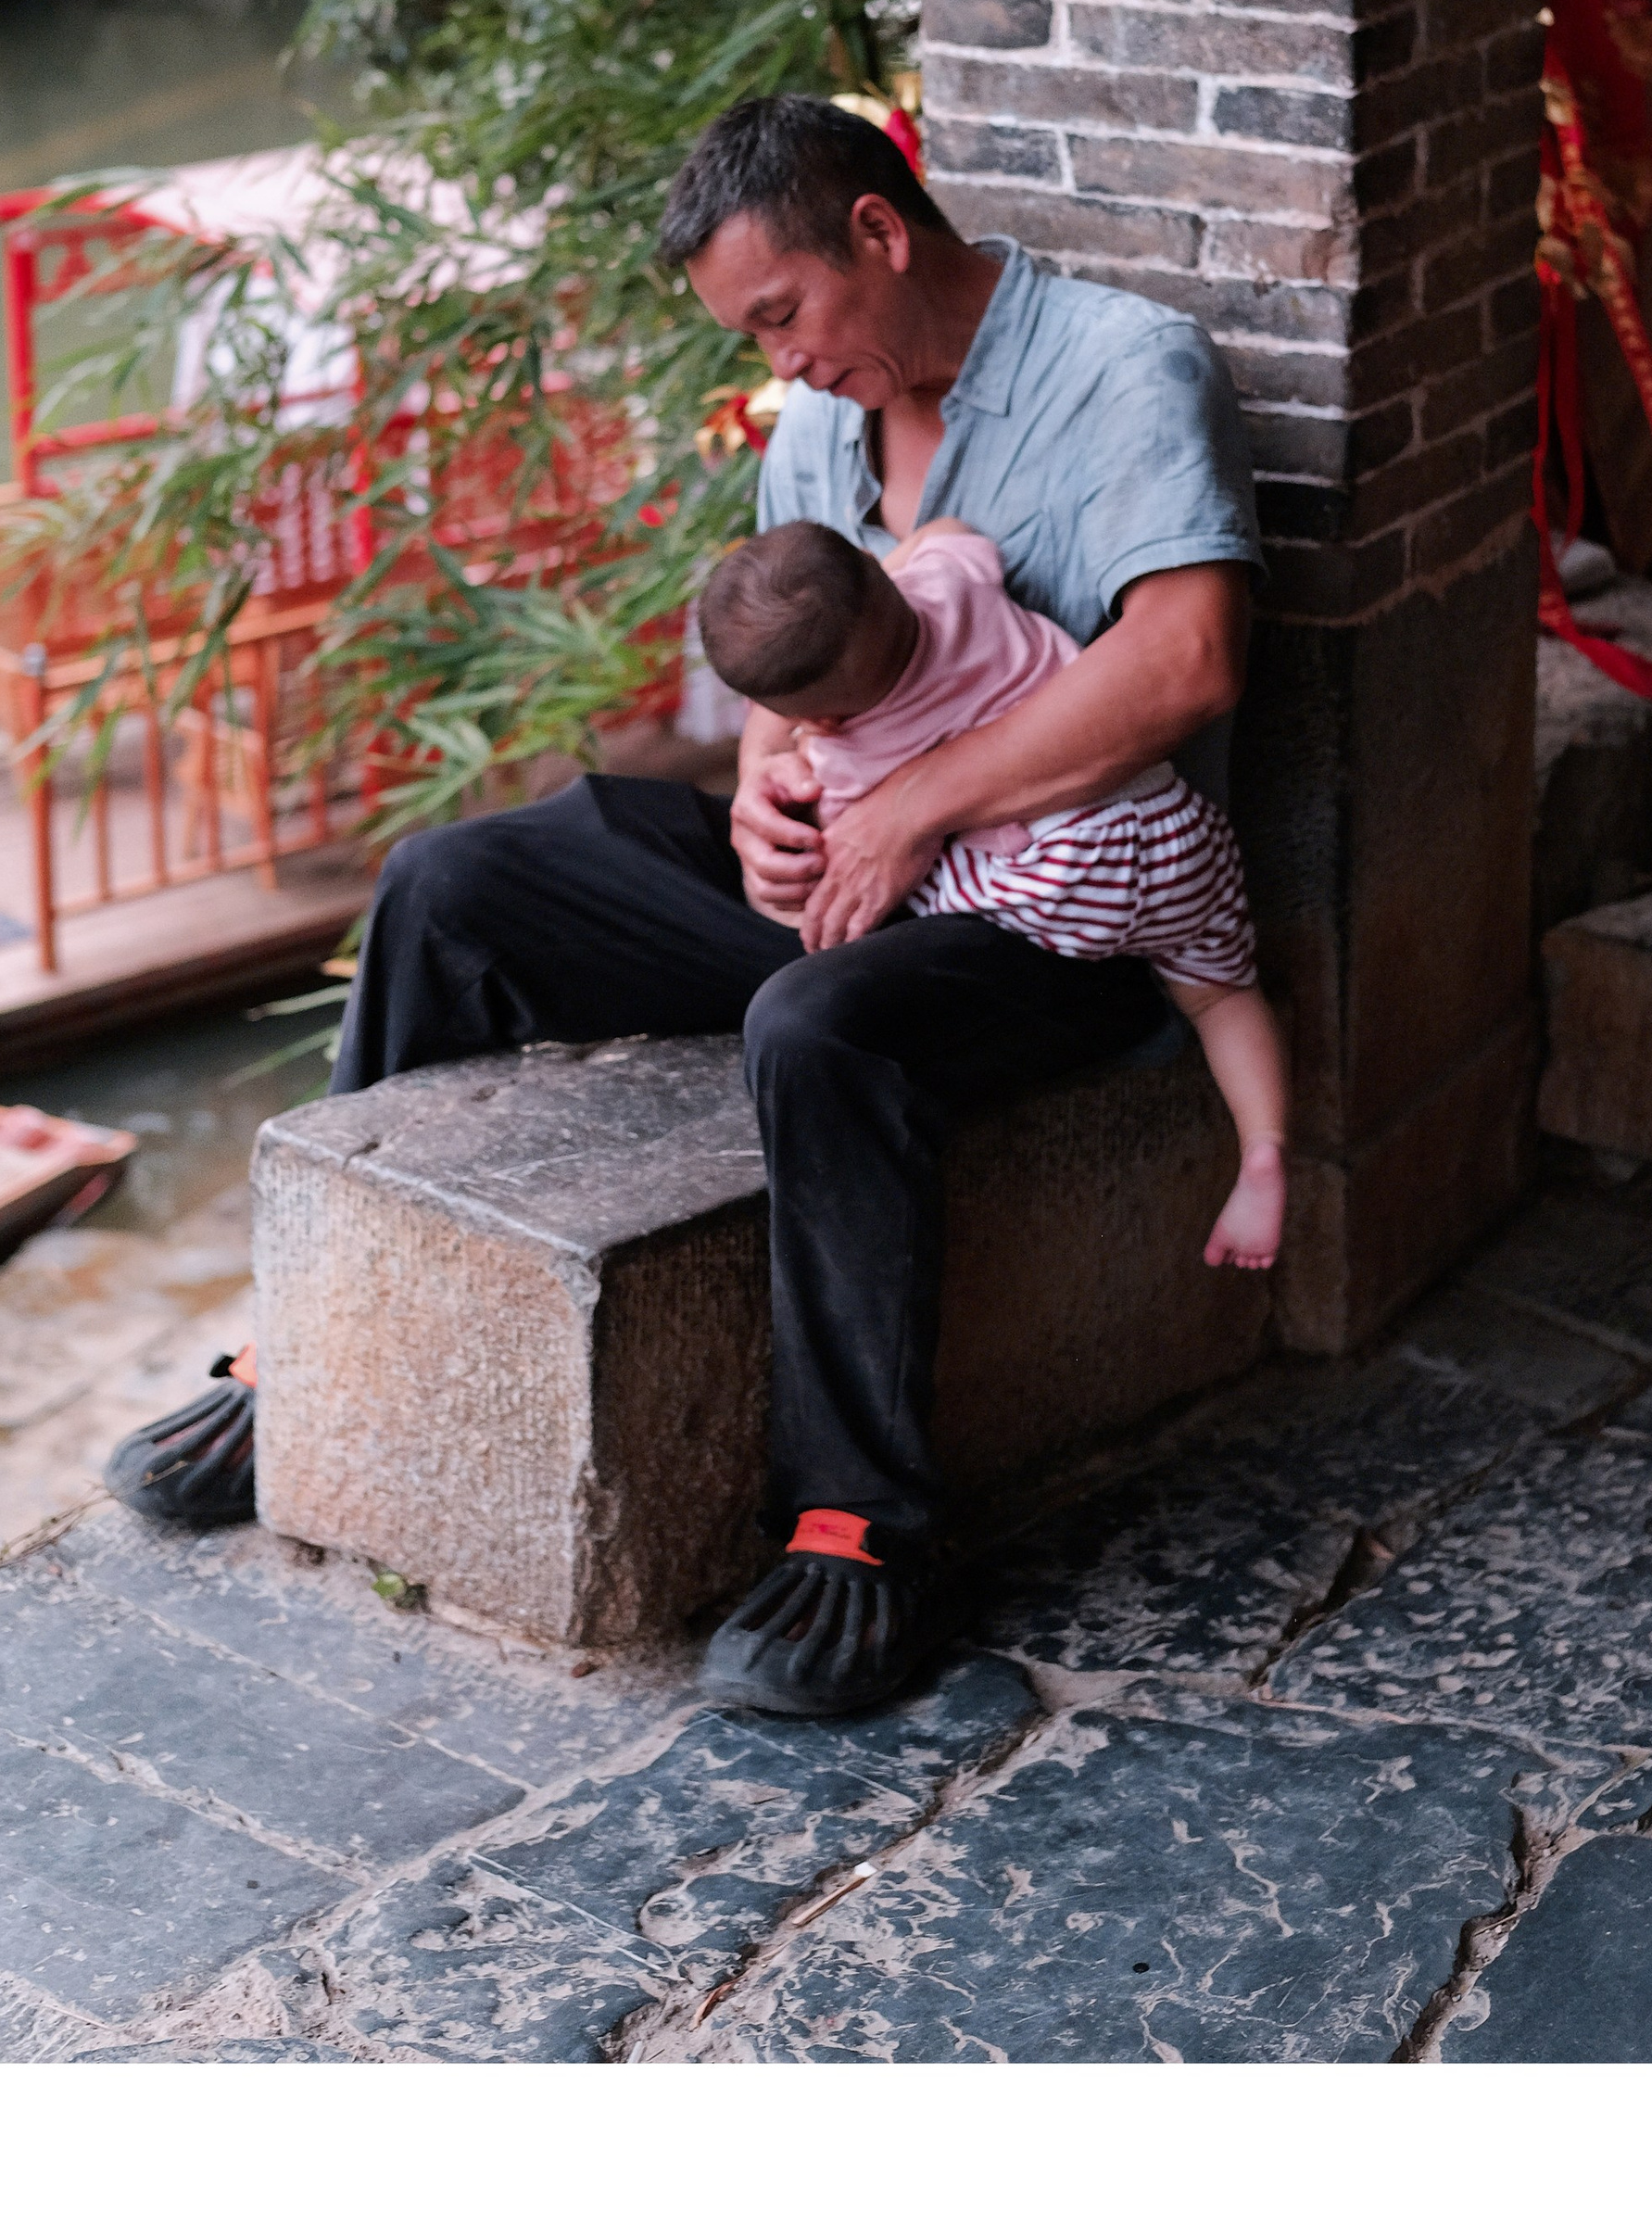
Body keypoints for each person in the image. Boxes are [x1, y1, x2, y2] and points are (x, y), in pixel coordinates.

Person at [106, 93, 1267, 1720]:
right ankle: (313, 1342)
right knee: (451, 882)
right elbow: (787, 686)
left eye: (784, 315)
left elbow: (1188, 658)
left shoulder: (1122, 366)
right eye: (753, 337)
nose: (781, 363)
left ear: (878, 230)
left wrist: (916, 808)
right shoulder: (819, 429)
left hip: (1059, 914)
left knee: (818, 1019)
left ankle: (863, 1527)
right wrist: (769, 809)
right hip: (863, 881)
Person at [695, 514, 1288, 1271]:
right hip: (1171, 828)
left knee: (905, 884)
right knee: (1222, 994)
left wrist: (789, 787)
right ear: (878, 569)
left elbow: (835, 878)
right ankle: (1264, 1147)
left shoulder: (843, 754)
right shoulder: (955, 578)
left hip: (1053, 882)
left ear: (818, 716)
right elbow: (946, 529)